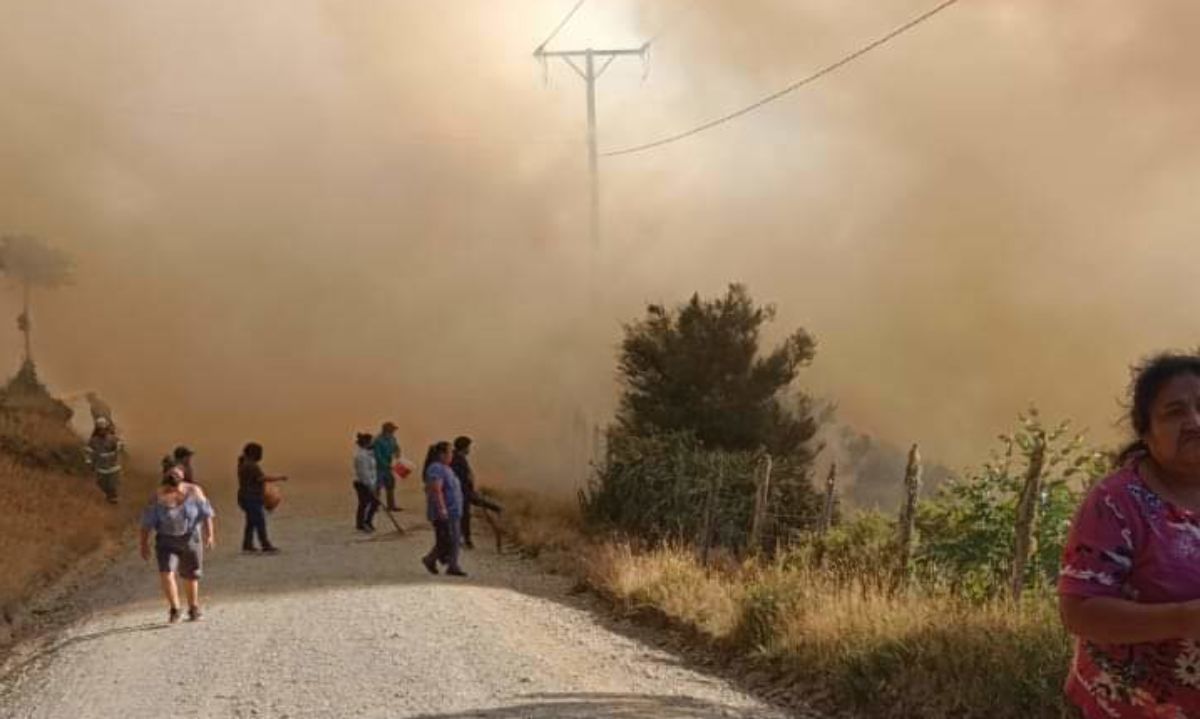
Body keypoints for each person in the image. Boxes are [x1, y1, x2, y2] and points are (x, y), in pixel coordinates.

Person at [1059, 352, 1200, 717]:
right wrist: (1185, 618)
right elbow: (1079, 612)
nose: (1194, 421)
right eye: (1175, 412)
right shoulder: (1115, 502)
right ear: (1145, 430)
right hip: (1131, 707)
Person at [139, 467, 215, 623]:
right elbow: (146, 523)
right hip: (166, 540)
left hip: (190, 538)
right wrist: (144, 544)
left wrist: (210, 534)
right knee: (166, 573)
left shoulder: (194, 491)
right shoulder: (157, 497)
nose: (173, 489)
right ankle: (175, 609)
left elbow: (206, 513)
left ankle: (193, 608)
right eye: (169, 485)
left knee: (191, 574)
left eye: (176, 483)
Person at [421, 441, 466, 577]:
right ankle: (432, 560)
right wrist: (442, 509)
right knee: (448, 539)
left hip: (454, 510)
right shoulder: (436, 468)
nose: (451, 454)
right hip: (446, 511)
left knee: (453, 539)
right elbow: (437, 490)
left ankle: (452, 564)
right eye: (450, 452)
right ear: (441, 454)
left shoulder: (446, 468)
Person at [450, 436, 502, 549]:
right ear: (464, 448)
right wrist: (470, 491)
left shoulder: (456, 457)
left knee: (463, 516)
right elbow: (461, 478)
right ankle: (466, 541)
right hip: (461, 492)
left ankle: (463, 540)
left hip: (461, 491)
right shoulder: (458, 459)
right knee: (464, 516)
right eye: (468, 447)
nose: (469, 449)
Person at [237, 442, 287, 553]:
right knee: (259, 522)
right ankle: (265, 544)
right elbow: (261, 478)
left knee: (251, 522)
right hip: (251, 497)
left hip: (245, 497)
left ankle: (247, 544)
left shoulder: (243, 464)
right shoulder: (251, 466)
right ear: (254, 454)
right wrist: (279, 478)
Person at [84, 416, 123, 504]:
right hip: (101, 467)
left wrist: (117, 449)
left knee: (112, 484)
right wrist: (88, 461)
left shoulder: (113, 438)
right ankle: (108, 495)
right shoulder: (93, 441)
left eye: (104, 429)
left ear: (107, 428)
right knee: (101, 484)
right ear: (97, 430)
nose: (102, 431)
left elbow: (119, 445)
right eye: (100, 429)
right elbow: (88, 451)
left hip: (113, 466)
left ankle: (113, 497)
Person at [353, 432, 380, 532]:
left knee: (373, 502)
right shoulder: (361, 456)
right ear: (366, 443)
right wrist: (370, 485)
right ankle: (362, 524)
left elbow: (372, 470)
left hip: (370, 482)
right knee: (365, 503)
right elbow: (363, 472)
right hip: (362, 483)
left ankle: (366, 522)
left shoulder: (368, 454)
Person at [373, 421, 402, 511]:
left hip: (390, 467)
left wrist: (397, 453)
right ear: (386, 430)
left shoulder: (392, 438)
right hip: (379, 468)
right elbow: (377, 456)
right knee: (378, 487)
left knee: (390, 486)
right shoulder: (378, 440)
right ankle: (374, 506)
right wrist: (386, 464)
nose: (393, 431)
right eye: (392, 430)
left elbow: (397, 447)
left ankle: (391, 505)